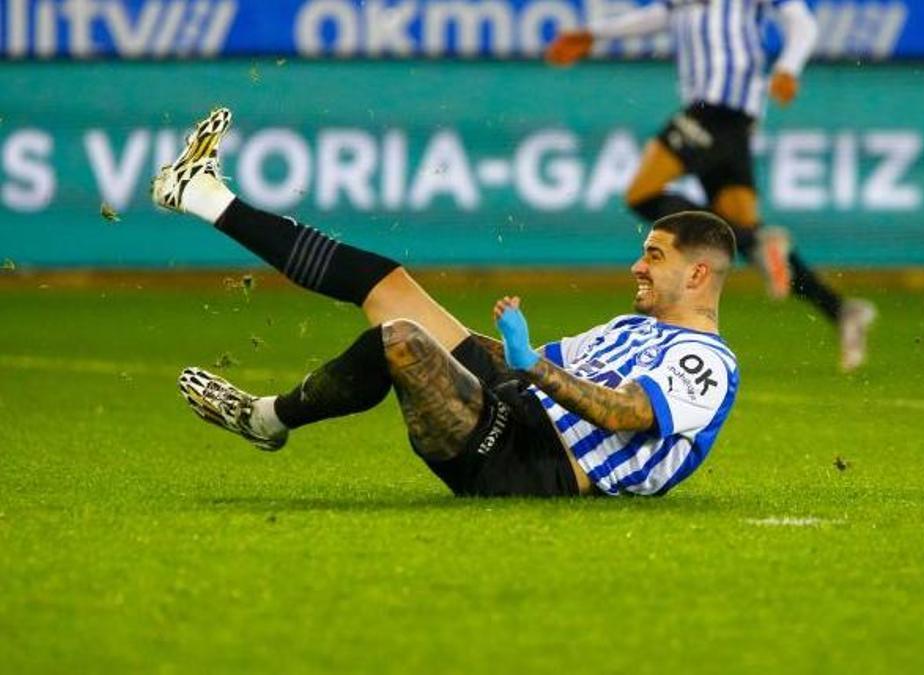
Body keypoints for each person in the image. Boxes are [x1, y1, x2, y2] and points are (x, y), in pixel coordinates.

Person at [154, 108, 739, 498]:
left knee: (400, 341)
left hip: (533, 464)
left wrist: (531, 363)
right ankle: (205, 195)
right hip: (514, 406)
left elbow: (626, 414)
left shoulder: (707, 363)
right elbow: (522, 367)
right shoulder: (628, 327)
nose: (638, 265)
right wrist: (504, 352)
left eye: (655, 257)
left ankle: (266, 419)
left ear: (698, 274)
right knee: (390, 288)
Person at [546, 0, 876, 371]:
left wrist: (788, 67)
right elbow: (659, 16)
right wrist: (594, 34)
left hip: (719, 108)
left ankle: (759, 243)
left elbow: (801, 22)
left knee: (642, 193)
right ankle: (840, 309)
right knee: (745, 231)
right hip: (727, 122)